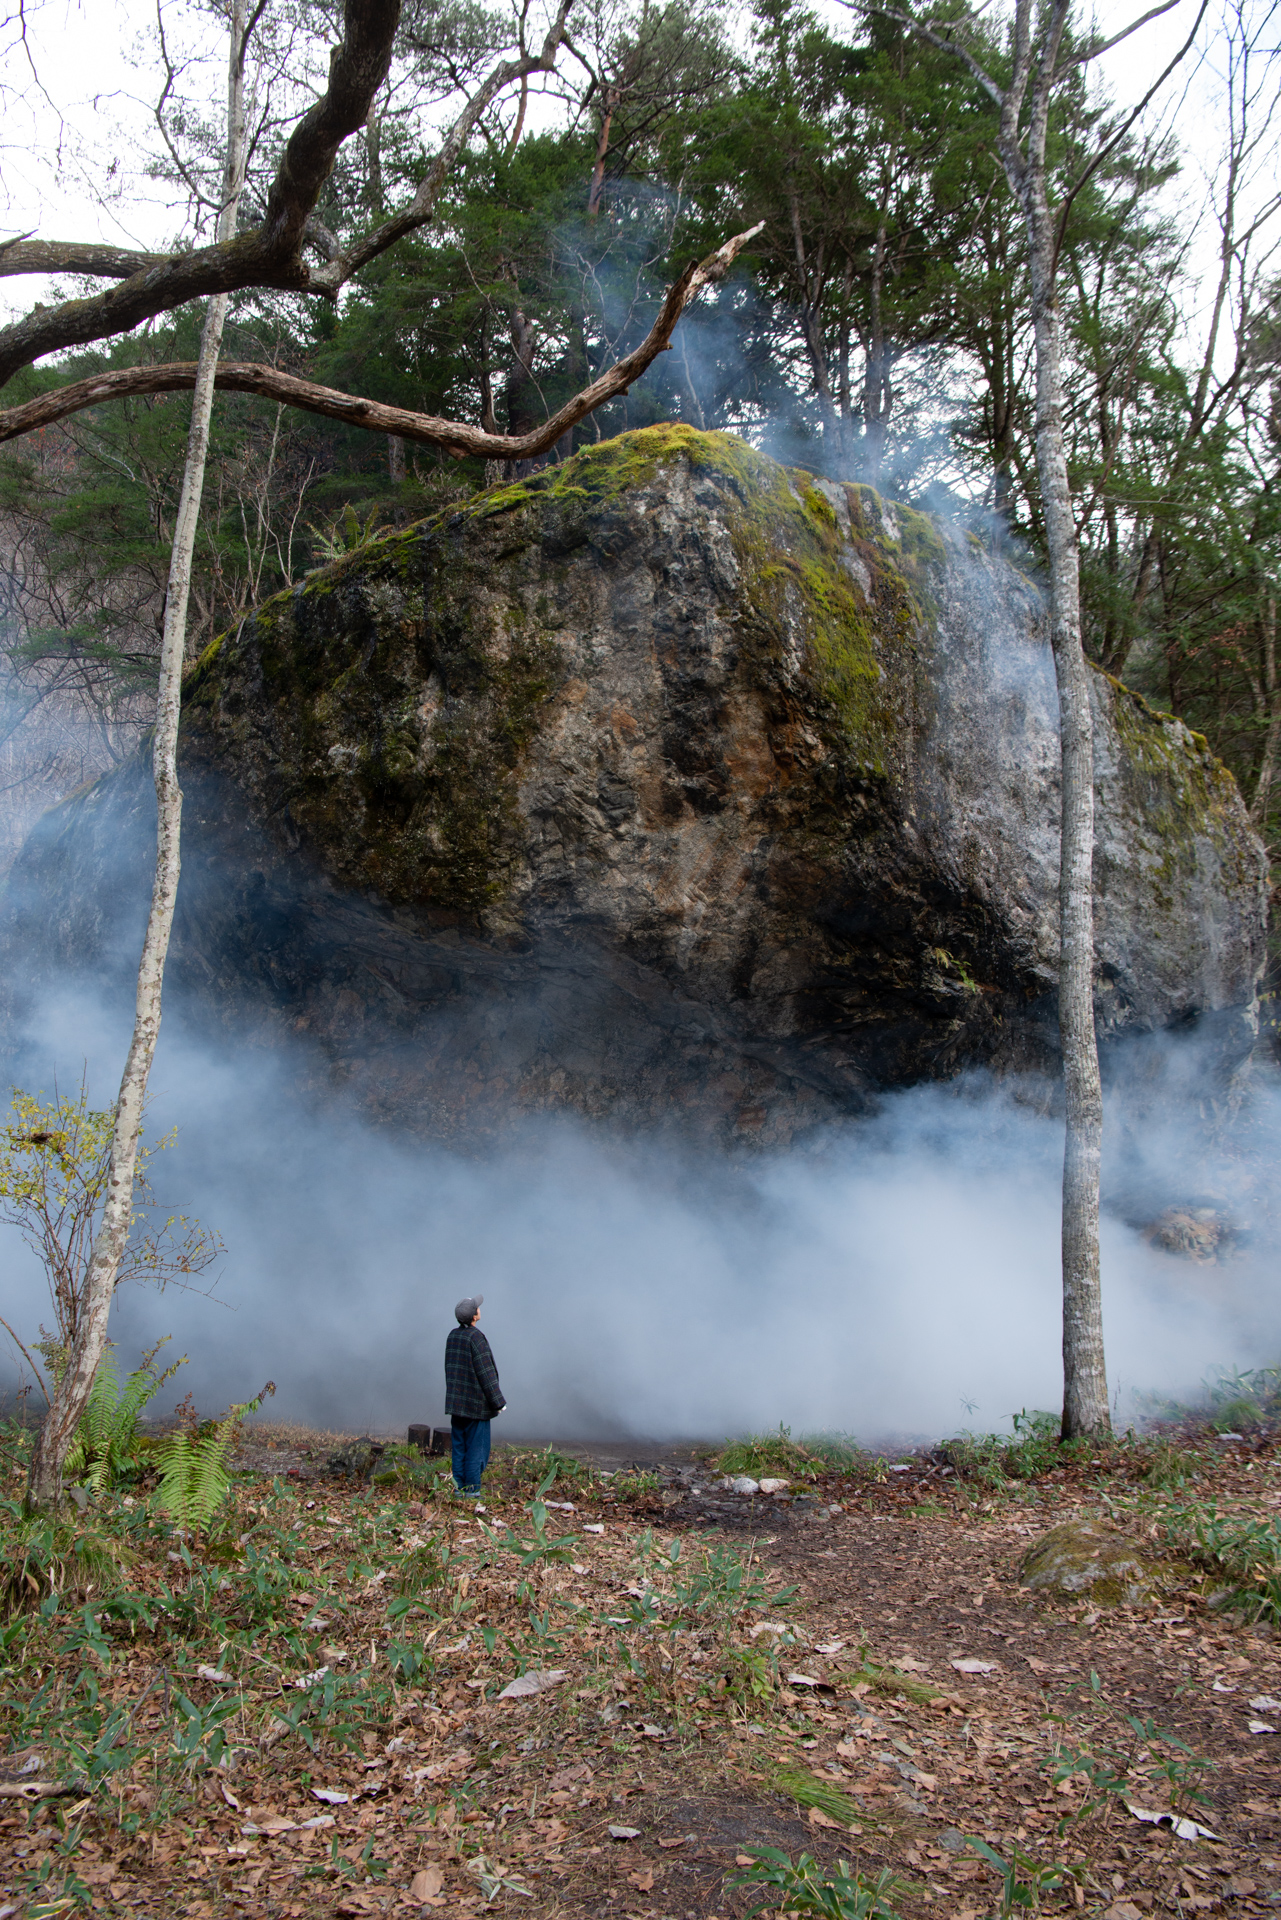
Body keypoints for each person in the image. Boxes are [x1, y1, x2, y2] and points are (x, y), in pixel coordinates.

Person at [445, 1294, 505, 1498]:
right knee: (476, 1450)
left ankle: (458, 1487)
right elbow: (486, 1373)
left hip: (456, 1405)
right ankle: (471, 1490)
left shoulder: (453, 1336)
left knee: (459, 1446)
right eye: (477, 1308)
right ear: (474, 1316)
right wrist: (498, 1402)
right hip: (476, 1406)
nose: (480, 1309)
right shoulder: (476, 1338)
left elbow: (451, 1369)